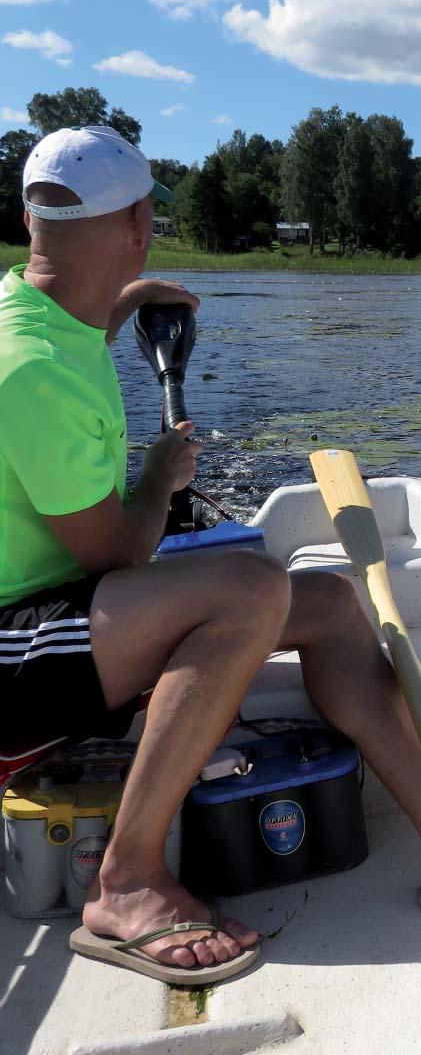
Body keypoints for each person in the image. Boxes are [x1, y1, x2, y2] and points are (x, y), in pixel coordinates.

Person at [1, 125, 421, 985]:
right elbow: (113, 552)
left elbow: (83, 328)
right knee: (246, 589)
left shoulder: (39, 314)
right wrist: (156, 479)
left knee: (331, 605)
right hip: (15, 650)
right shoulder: (30, 369)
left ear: (31, 218)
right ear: (140, 222)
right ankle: (124, 883)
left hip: (65, 620)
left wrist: (128, 300)